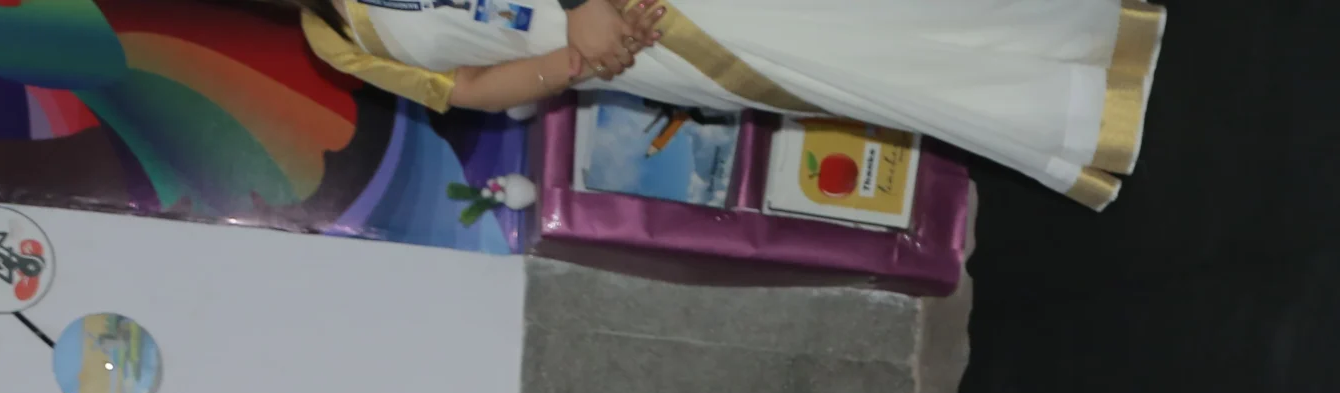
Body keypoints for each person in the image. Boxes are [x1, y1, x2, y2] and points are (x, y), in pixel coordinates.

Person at [281, 0, 1162, 208]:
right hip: (633, 53)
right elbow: (468, 87)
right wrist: (578, 57)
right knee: (844, 73)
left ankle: (1087, 31)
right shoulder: (331, 38)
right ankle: (1078, 110)